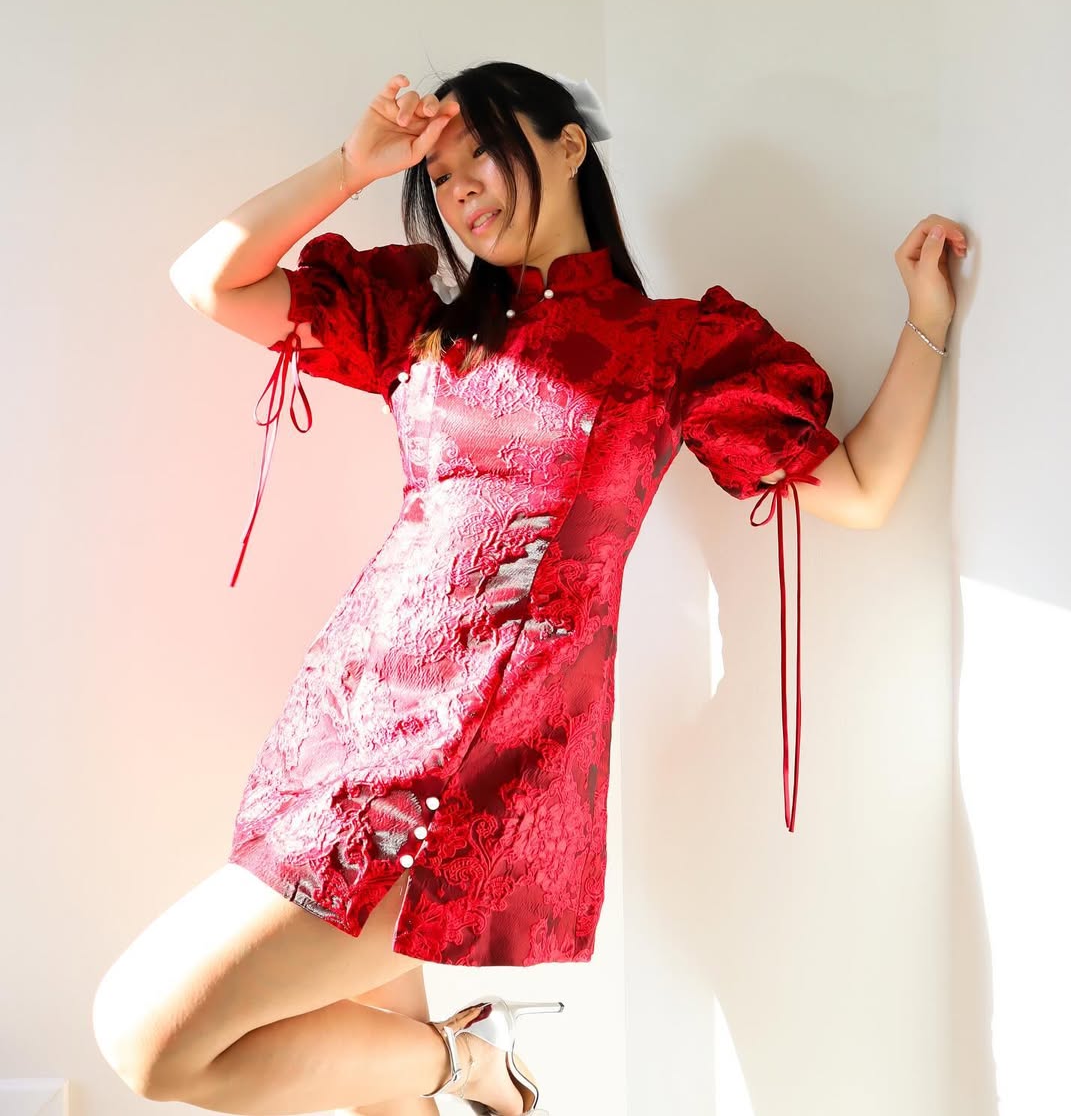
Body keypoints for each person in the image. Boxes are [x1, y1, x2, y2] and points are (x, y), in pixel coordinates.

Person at [92, 61, 967, 1115]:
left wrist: (926, 323)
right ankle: (456, 1067)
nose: (463, 192)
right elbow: (211, 281)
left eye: (483, 155)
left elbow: (861, 487)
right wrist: (356, 165)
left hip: (472, 769)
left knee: (147, 1039)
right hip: (342, 729)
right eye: (443, 178)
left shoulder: (668, 347)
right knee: (372, 1101)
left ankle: (471, 1061)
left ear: (567, 144)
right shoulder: (424, 319)